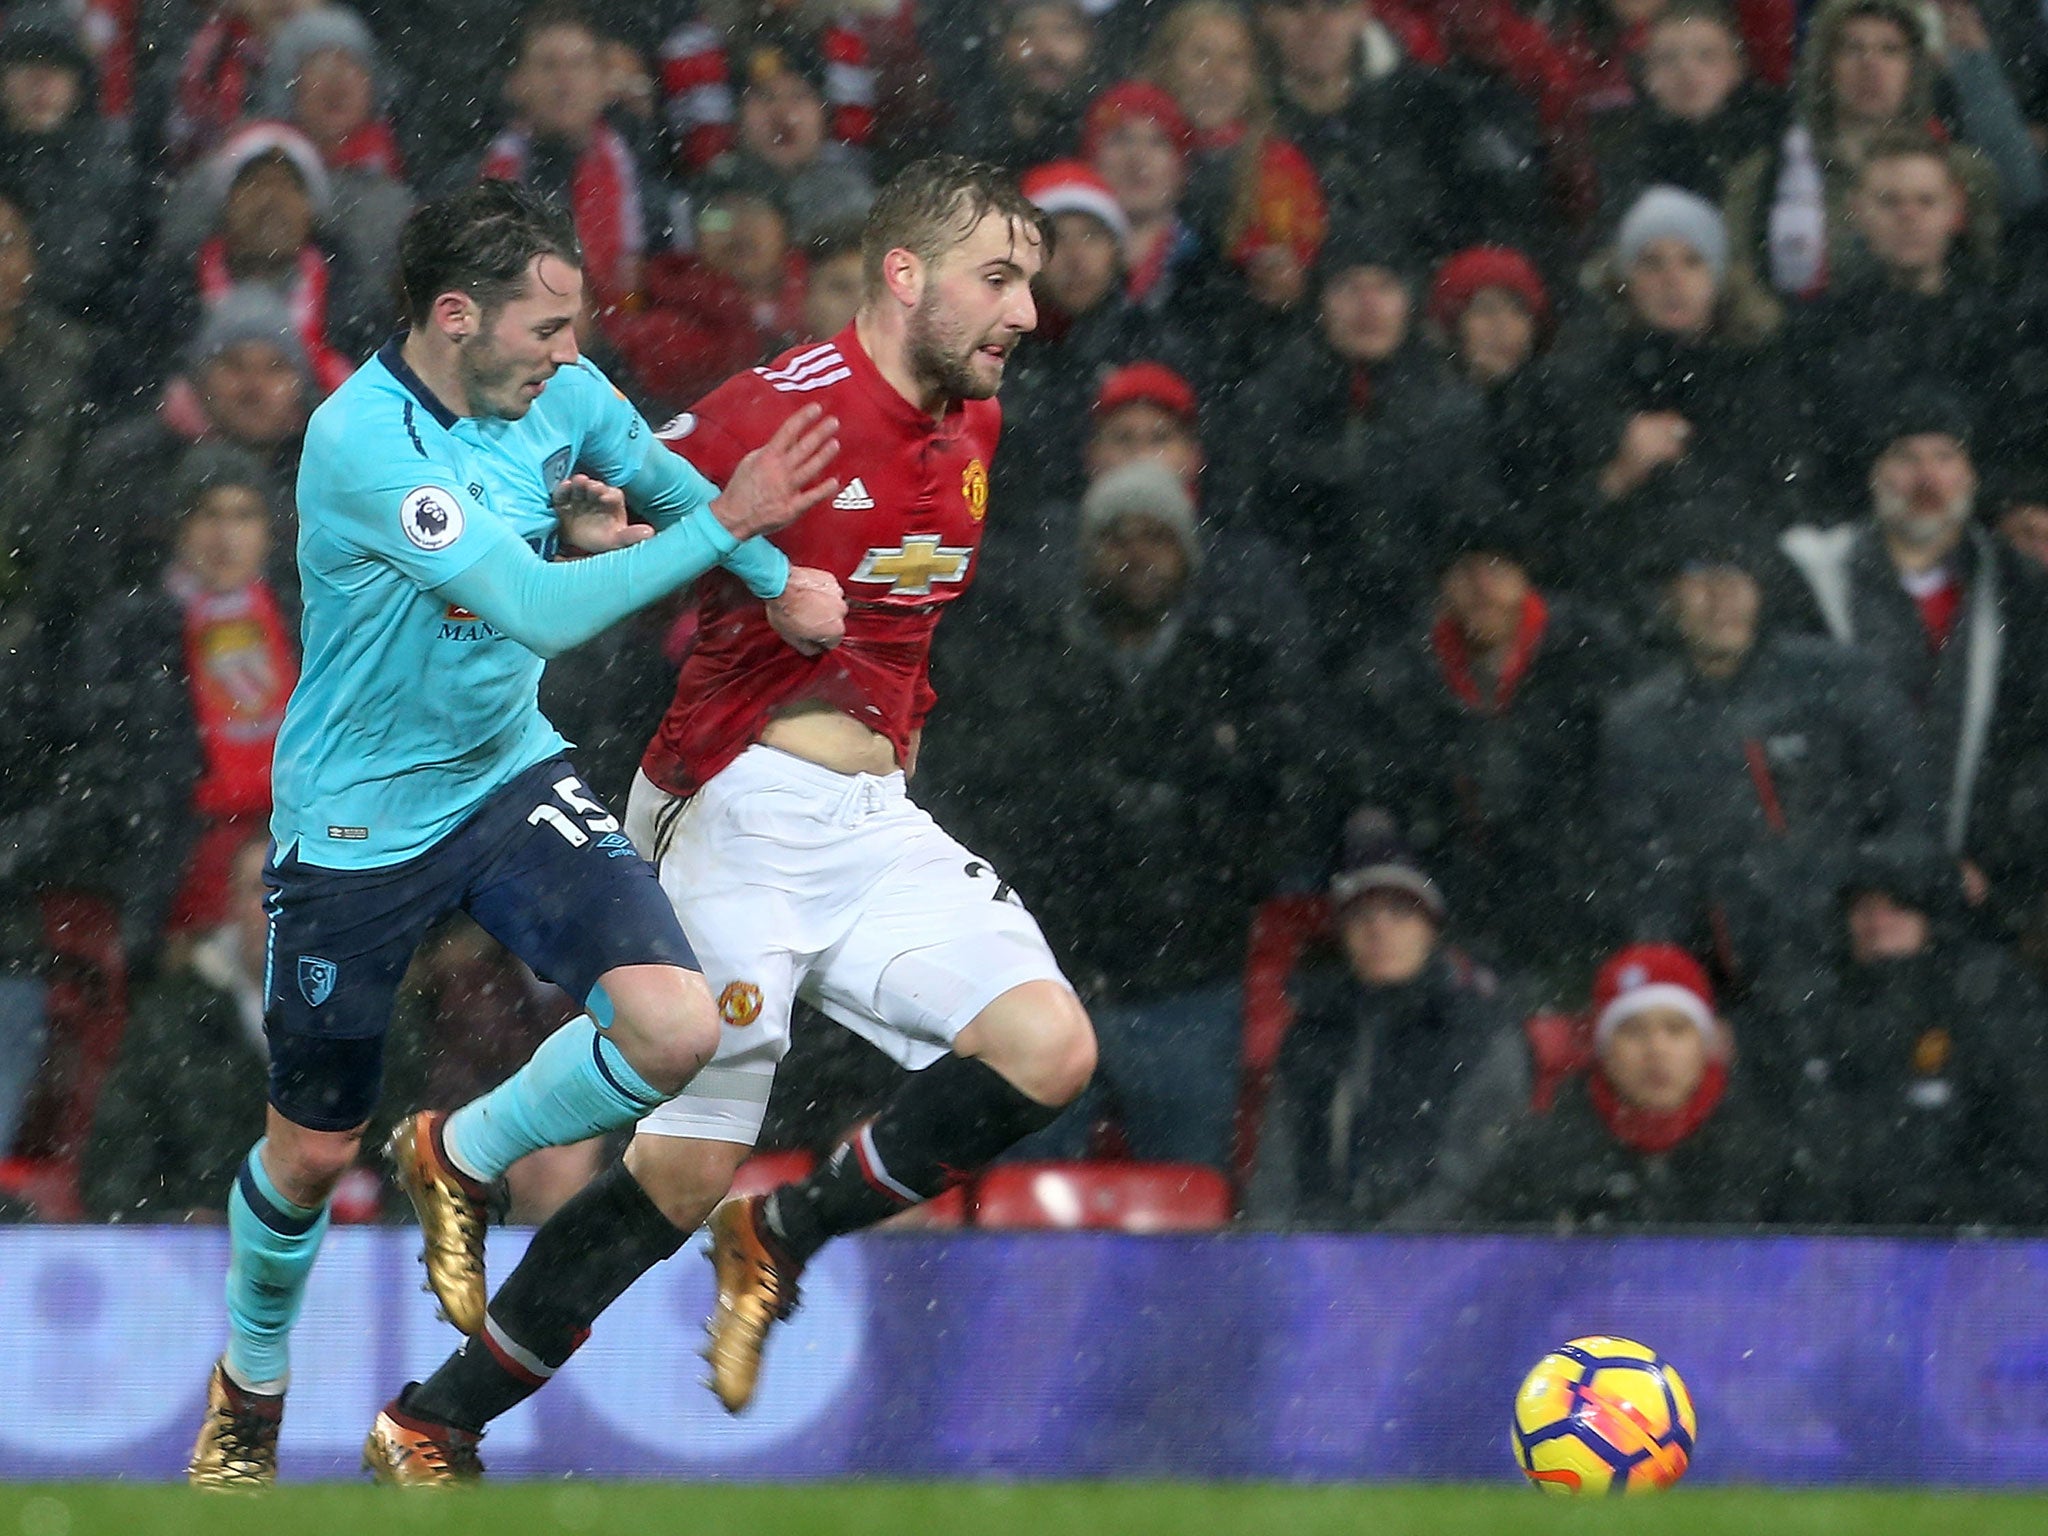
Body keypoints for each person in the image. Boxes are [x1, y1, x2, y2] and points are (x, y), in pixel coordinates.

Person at [362, 156, 1095, 1481]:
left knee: (1048, 1049)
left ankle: (790, 1233)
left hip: (875, 817)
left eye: (1031, 287)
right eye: (1000, 281)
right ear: (903, 274)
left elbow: (902, 632)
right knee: (685, 1166)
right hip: (734, 807)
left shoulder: (974, 428)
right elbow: (611, 498)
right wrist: (589, 532)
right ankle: (433, 1420)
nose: (1025, 316)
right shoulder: (786, 406)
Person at [184, 178, 845, 1489]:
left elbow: (656, 476)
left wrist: (777, 587)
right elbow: (535, 609)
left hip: (503, 776)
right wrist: (736, 529)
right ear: (452, 316)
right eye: (544, 329)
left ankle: (462, 1149)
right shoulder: (365, 442)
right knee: (309, 1152)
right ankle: (251, 1384)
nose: (567, 354)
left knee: (672, 1026)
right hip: (359, 823)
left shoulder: (560, 389)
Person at [928, 460, 1310, 1170]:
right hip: (1049, 981)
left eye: (1157, 536)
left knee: (1190, 1216)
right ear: (1085, 554)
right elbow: (989, 809)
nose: (1137, 554)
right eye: (1117, 537)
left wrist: (1196, 867)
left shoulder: (1236, 674)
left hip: (1187, 990)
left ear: (1188, 556)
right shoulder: (1030, 671)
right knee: (1024, 1219)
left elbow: (1275, 818)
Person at [1600, 521, 1939, 1059]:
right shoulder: (1638, 723)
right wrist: (1681, 1002)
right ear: (1667, 595)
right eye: (1700, 578)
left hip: (1870, 978)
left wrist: (1884, 897)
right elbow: (1647, 882)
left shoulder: (1840, 680)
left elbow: (1914, 817)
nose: (1723, 595)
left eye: (1740, 575)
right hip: (1737, 1003)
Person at [1779, 389, 2048, 930]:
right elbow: (1791, 744)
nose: (1928, 478)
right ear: (1876, 473)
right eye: (1906, 456)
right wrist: (1856, 874)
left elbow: (2030, 747)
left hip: (1976, 896)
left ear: (1970, 475)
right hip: (1834, 899)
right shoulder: (1806, 580)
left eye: (1945, 456)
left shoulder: (2021, 593)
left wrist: (1989, 861)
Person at [1245, 813, 1533, 1229]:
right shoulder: (1311, 1030)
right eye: (1362, 916)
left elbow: (1473, 1179)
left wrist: (1385, 1255)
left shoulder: (1483, 1033)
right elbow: (1275, 1174)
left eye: (1399, 913)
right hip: (1319, 1266)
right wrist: (1286, 1260)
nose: (1379, 930)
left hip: (1438, 1263)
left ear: (1431, 930)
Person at [1462, 942, 1801, 1227]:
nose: (1657, 1049)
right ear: (1603, 1048)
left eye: (1676, 1028)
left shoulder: (1768, 1157)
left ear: (1706, 1043)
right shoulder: (1539, 1158)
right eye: (1634, 1030)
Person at [1793, 850, 2048, 1228]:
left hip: (1965, 1254)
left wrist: (1958, 1226)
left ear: (1931, 915)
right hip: (1837, 1254)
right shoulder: (1817, 1008)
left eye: (1897, 906)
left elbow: (2025, 1136)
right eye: (1864, 908)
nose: (1878, 923)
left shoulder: (1990, 998)